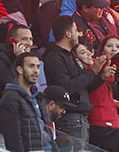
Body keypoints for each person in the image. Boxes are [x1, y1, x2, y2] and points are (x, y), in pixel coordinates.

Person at [44, 15, 102, 146]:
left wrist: (101, 77)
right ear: (68, 34)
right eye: (76, 30)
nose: (79, 34)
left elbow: (83, 87)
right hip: (70, 118)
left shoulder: (70, 56)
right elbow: (67, 87)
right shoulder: (55, 58)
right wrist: (93, 72)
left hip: (80, 118)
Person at [0, 23, 34, 145]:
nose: (29, 43)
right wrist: (18, 60)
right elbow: (8, 81)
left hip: (13, 128)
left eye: (30, 39)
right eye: (24, 39)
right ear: (12, 41)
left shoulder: (23, 60)